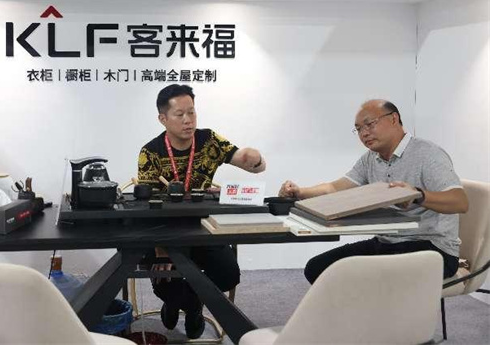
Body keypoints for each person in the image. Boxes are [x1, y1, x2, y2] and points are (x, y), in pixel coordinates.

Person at [279, 99, 468, 284]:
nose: (364, 133)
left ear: (394, 119)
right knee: (318, 268)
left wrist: (418, 195)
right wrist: (300, 192)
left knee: (365, 278)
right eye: (359, 129)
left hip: (433, 250)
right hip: (387, 242)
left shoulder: (428, 154)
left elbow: (460, 202)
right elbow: (335, 188)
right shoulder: (370, 159)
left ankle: (380, 305)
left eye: (369, 124)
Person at [137, 84, 266, 339]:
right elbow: (146, 207)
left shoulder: (209, 141)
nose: (188, 120)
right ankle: (182, 304)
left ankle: (192, 305)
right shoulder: (150, 152)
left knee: (229, 275)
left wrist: (255, 159)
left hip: (204, 227)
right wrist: (161, 250)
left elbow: (250, 163)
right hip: (165, 231)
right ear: (163, 119)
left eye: (192, 112)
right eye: (179, 114)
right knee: (166, 282)